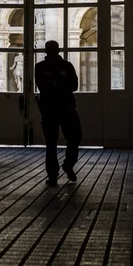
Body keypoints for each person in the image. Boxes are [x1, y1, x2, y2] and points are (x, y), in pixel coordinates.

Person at [35, 40, 82, 186]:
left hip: (51, 109)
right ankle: (67, 165)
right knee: (73, 138)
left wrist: (54, 84)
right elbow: (71, 85)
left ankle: (54, 174)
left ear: (45, 51)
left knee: (53, 143)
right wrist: (61, 84)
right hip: (64, 107)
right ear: (59, 50)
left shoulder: (41, 67)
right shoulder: (66, 66)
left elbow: (45, 86)